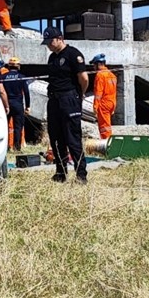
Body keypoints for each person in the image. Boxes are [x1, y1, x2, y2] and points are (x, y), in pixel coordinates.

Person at [42, 28, 89, 182]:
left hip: (69, 98)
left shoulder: (73, 54)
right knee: (56, 137)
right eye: (47, 43)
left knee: (72, 138)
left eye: (51, 42)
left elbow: (84, 78)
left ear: (60, 38)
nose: (49, 45)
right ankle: (61, 172)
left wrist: (78, 95)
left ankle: (81, 174)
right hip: (54, 100)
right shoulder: (51, 58)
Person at [2, 57, 30, 149]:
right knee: (18, 126)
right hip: (18, 104)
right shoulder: (22, 77)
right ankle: (17, 147)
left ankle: (5, 147)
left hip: (6, 104)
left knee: (5, 126)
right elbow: (26, 92)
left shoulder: (3, 77)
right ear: (18, 66)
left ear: (9, 66)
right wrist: (28, 106)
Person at [90, 54, 117, 140]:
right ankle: (108, 142)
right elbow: (114, 92)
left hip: (104, 104)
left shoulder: (100, 75)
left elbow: (98, 93)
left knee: (104, 127)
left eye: (94, 65)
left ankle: (107, 145)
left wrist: (95, 106)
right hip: (111, 103)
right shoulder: (112, 75)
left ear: (98, 64)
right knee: (107, 125)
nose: (93, 67)